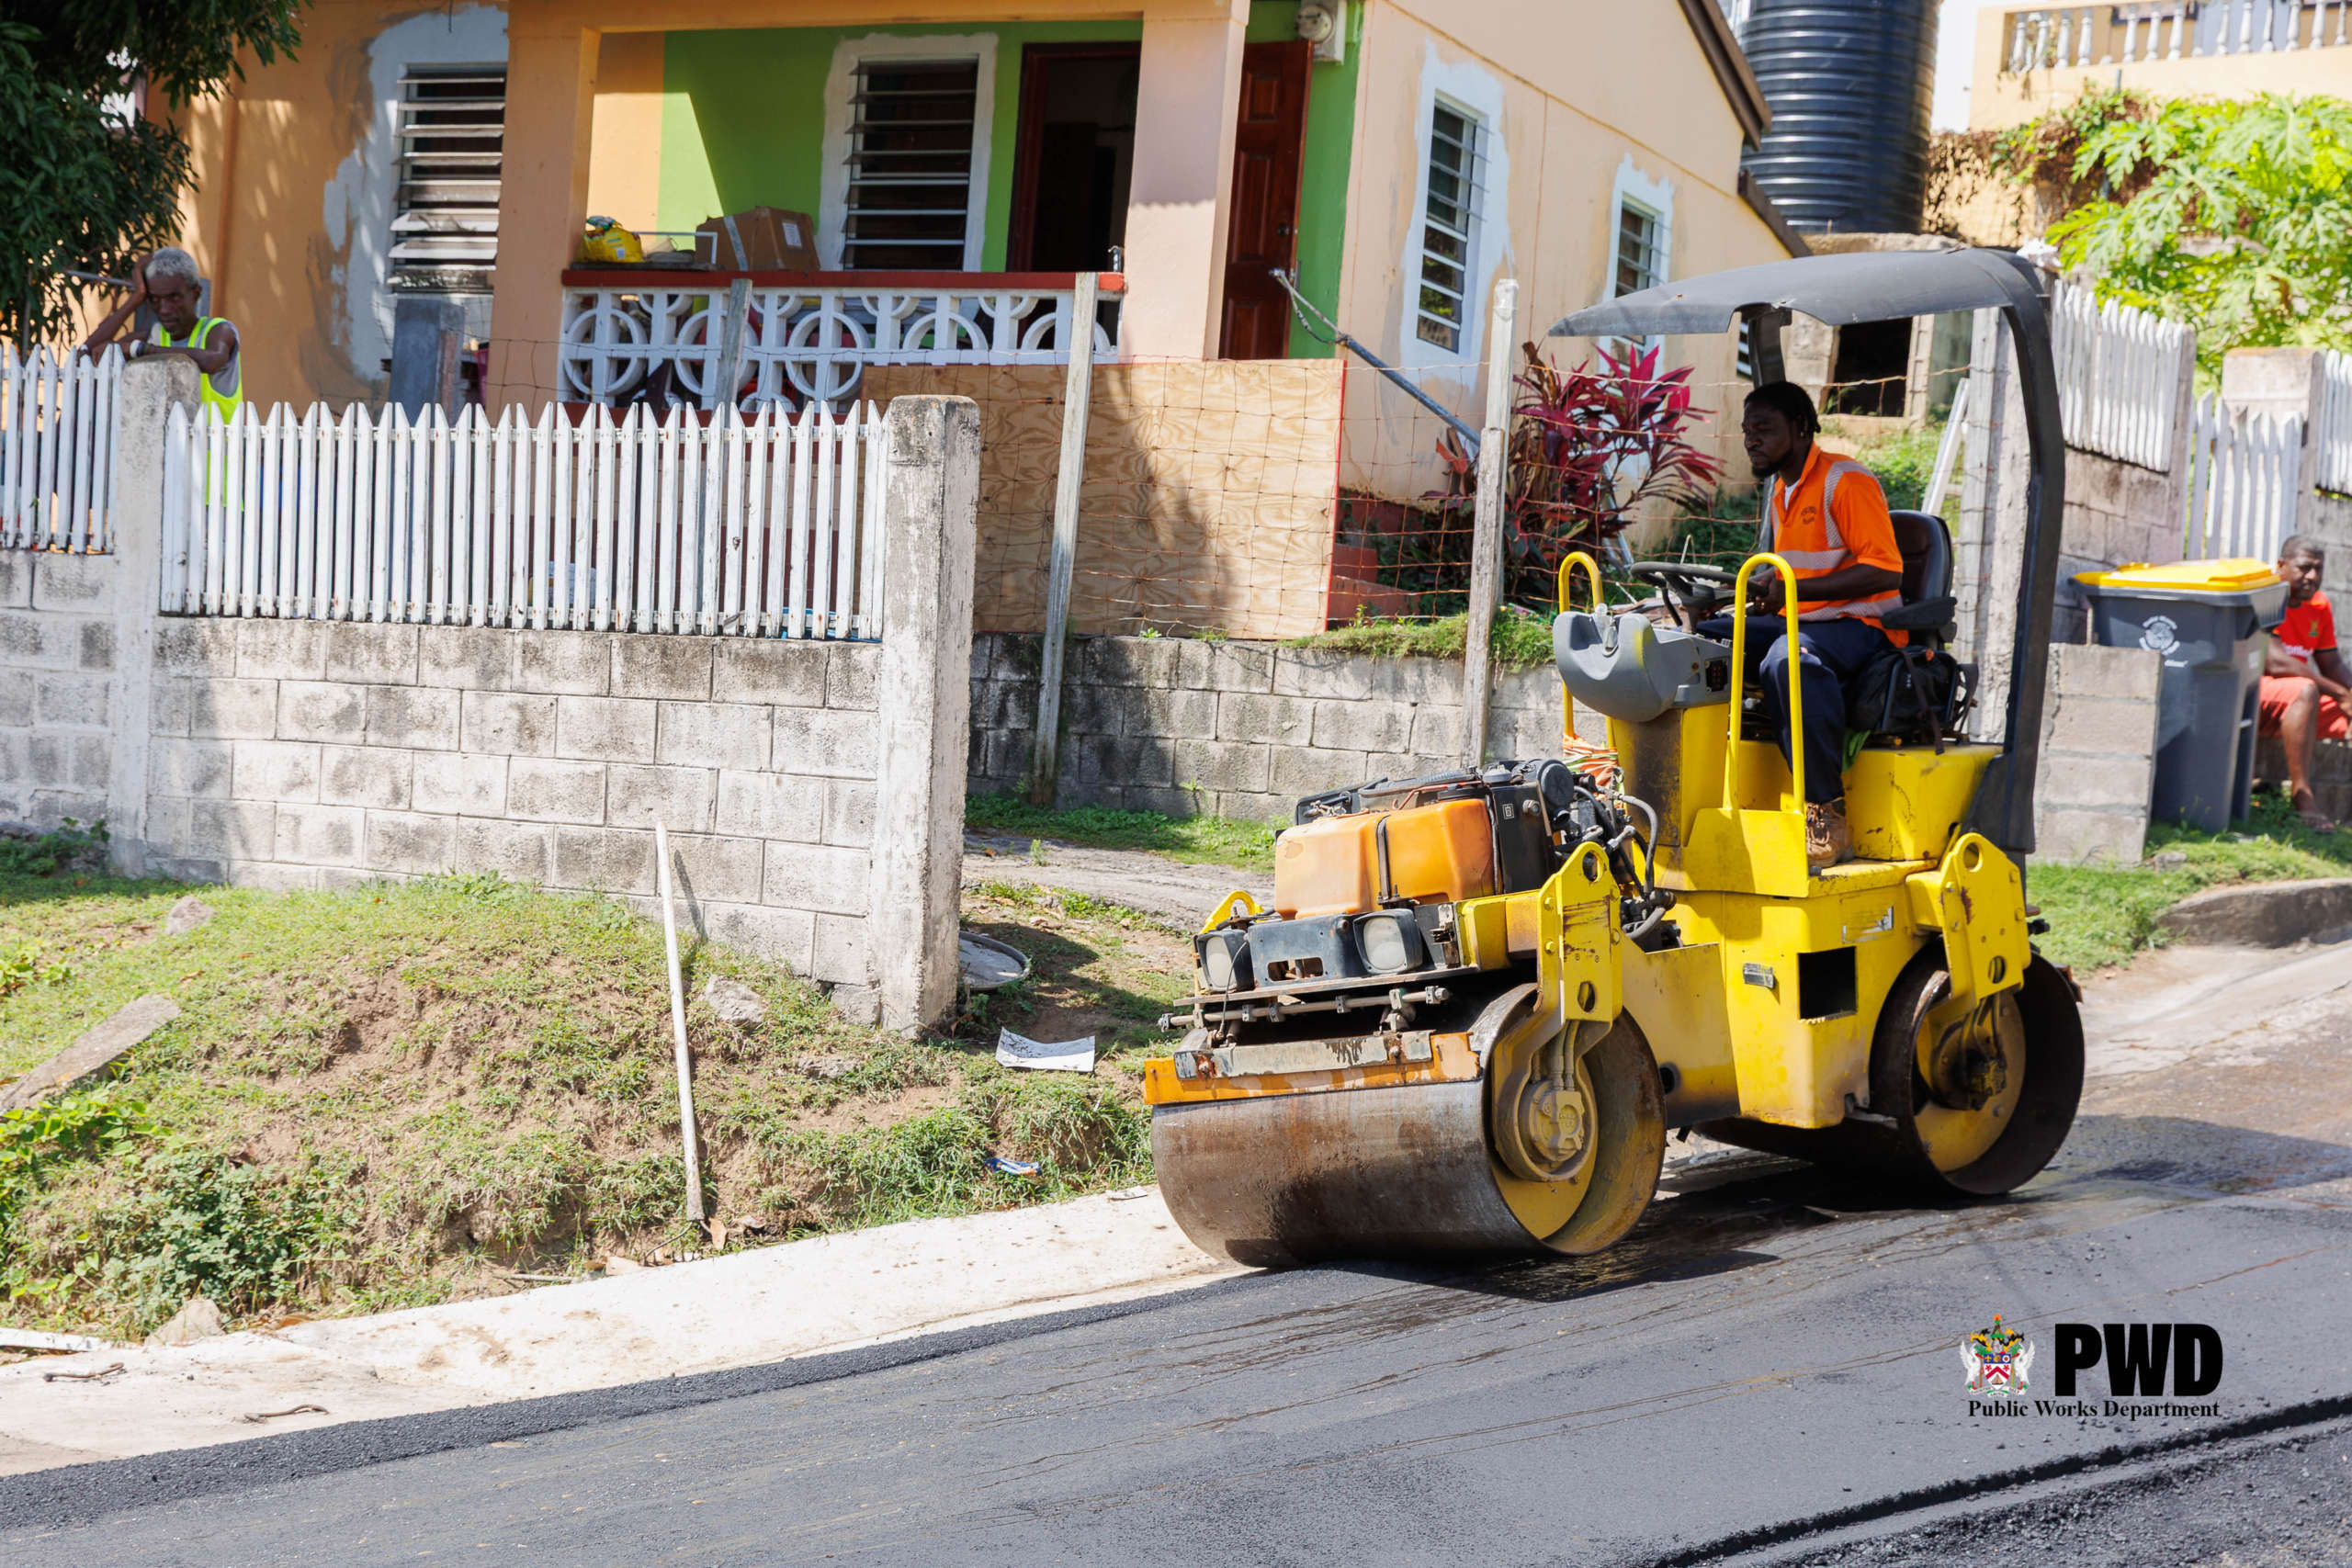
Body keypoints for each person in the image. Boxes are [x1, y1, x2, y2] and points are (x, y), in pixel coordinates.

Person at [1698, 381, 1906, 869]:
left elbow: (1886, 571)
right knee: (1704, 644)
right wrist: (1756, 590)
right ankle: (1704, 785)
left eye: (1763, 429)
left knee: (1789, 660)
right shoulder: (1781, 489)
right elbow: (1796, 571)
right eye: (1746, 430)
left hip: (1863, 626)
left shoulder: (1845, 481)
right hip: (1807, 616)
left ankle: (1825, 812)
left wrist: (1794, 589)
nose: (1751, 440)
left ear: (1800, 427)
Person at [77, 248, 243, 421]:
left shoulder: (219, 331)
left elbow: (211, 361)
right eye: (155, 299)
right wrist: (137, 297)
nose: (164, 309)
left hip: (214, 439)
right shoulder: (152, 337)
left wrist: (142, 350)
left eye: (174, 298)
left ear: (196, 294)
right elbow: (84, 357)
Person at [2256, 535, 2348, 834]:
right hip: (2257, 696)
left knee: (2318, 697)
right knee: (2305, 690)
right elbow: (2275, 663)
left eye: (2318, 569)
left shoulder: (2319, 604)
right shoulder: (2266, 595)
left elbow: (2331, 664)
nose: (2312, 576)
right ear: (2281, 566)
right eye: (2304, 567)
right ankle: (2302, 796)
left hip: (2298, 706)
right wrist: (2339, 693)